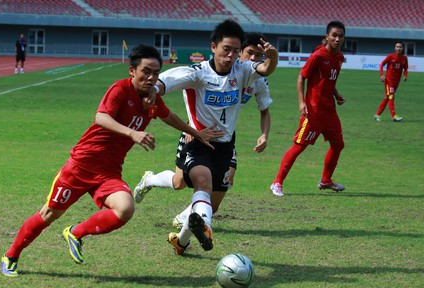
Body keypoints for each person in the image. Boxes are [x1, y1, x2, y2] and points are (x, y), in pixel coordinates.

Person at [1, 44, 223, 277]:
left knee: (126, 208)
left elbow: (169, 116)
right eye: (146, 71)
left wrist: (196, 132)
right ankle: (11, 255)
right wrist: (132, 133)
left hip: (108, 173)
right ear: (132, 71)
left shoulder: (152, 98)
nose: (151, 77)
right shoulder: (119, 89)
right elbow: (100, 117)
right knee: (49, 214)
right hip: (81, 165)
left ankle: (76, 233)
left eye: (156, 73)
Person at [137, 20, 278, 256]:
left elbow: (264, 70)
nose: (231, 55)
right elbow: (167, 80)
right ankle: (200, 222)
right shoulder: (198, 73)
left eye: (235, 51)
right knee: (196, 183)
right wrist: (154, 90)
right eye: (226, 49)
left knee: (211, 201)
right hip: (198, 141)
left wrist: (272, 57)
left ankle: (181, 241)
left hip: (225, 146)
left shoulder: (243, 71)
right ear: (213, 47)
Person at [270, 21, 347, 197]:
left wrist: (336, 93)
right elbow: (301, 77)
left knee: (338, 144)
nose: (337, 38)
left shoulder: (339, 57)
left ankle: (326, 180)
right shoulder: (318, 56)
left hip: (330, 112)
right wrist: (301, 103)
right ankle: (277, 182)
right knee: (299, 146)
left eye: (340, 36)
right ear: (327, 36)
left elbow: (328, 80)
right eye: (334, 35)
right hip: (313, 112)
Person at [374, 41, 408, 122]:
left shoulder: (404, 58)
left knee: (387, 97)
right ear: (395, 48)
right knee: (391, 96)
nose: (398, 48)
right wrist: (381, 75)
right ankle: (394, 116)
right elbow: (382, 64)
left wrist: (405, 75)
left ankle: (377, 115)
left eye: (400, 47)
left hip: (397, 82)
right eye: (397, 47)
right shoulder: (390, 56)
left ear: (403, 48)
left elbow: (405, 68)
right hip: (389, 81)